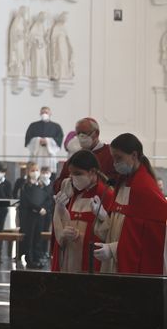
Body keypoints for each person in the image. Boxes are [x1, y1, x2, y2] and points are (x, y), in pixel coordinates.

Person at [92, 133, 167, 275]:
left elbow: (147, 240)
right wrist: (103, 217)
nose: (115, 163)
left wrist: (113, 249)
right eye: (113, 158)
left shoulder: (144, 188)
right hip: (115, 261)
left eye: (119, 158)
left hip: (128, 263)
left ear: (134, 155)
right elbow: (118, 225)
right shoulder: (122, 183)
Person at [51, 150, 115, 273]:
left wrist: (103, 218)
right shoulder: (73, 193)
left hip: (92, 261)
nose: (73, 178)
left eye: (78, 173)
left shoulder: (106, 195)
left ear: (92, 172)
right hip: (69, 259)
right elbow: (64, 221)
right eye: (71, 173)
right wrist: (64, 233)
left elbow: (111, 234)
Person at [53, 117, 115, 190]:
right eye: (78, 133)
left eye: (84, 133)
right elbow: (58, 185)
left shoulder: (111, 154)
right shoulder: (76, 157)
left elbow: (116, 181)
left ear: (96, 133)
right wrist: (70, 182)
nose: (81, 137)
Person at [17, 162, 52, 269]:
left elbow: (48, 198)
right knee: (30, 238)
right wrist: (38, 208)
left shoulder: (41, 185)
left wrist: (44, 208)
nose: (35, 173)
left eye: (37, 170)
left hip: (40, 216)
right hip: (29, 216)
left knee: (38, 237)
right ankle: (30, 260)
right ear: (28, 172)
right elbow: (27, 200)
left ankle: (37, 258)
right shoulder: (25, 185)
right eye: (32, 170)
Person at [24, 106, 64, 171]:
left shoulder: (56, 126)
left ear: (50, 114)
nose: (44, 114)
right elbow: (28, 137)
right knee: (35, 170)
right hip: (37, 153)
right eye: (42, 112)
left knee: (49, 171)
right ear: (40, 114)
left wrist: (48, 141)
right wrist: (37, 140)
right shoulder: (33, 125)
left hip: (49, 153)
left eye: (46, 112)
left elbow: (59, 138)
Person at [0, 165, 14, 269]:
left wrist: (0, 186)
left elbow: (8, 197)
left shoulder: (7, 184)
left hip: (2, 211)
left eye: (2, 172)